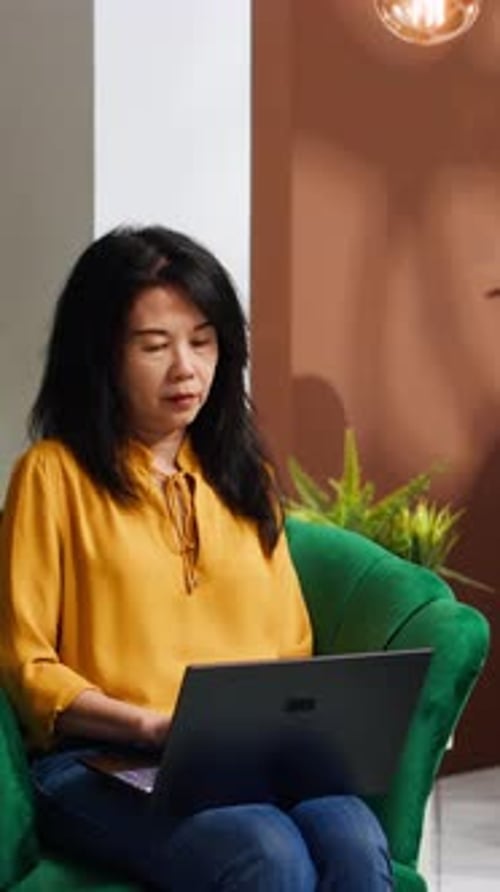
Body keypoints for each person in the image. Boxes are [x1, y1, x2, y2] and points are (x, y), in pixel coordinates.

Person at [0, 226, 393, 891]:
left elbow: (289, 641)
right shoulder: (52, 475)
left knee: (353, 838)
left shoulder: (240, 475)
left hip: (247, 756)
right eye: (155, 346)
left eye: (203, 341)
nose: (186, 368)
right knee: (264, 850)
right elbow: (28, 664)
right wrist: (149, 724)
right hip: (101, 760)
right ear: (100, 355)